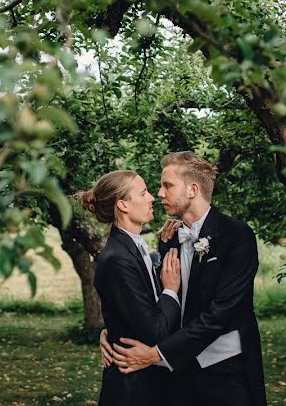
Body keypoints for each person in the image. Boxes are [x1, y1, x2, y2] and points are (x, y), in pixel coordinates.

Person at [100, 151, 267, 406]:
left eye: (167, 185)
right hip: (177, 377)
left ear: (192, 190)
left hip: (224, 372)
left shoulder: (237, 236)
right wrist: (114, 331)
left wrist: (157, 354)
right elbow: (151, 301)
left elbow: (219, 314)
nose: (159, 193)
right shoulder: (169, 239)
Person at [78, 170, 182, 406]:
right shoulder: (117, 258)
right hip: (134, 389)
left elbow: (131, 309)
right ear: (123, 204)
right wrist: (171, 290)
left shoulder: (133, 246)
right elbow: (154, 330)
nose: (152, 198)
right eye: (143, 193)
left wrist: (110, 329)